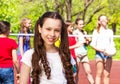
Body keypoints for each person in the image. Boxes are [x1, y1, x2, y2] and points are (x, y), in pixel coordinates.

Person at [20, 11, 75, 84]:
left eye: (57, 30)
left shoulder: (66, 55)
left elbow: (72, 77)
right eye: (48, 29)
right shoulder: (29, 55)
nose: (52, 34)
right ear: (40, 28)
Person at [90, 15, 115, 84]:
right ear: (99, 21)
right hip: (99, 54)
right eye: (102, 19)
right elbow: (92, 44)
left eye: (105, 19)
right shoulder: (96, 31)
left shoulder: (110, 31)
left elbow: (112, 43)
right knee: (99, 73)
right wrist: (101, 51)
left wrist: (111, 51)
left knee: (107, 74)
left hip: (108, 55)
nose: (104, 21)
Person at [73, 18, 94, 84]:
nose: (82, 25)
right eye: (80, 24)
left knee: (88, 71)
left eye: (83, 24)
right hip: (77, 54)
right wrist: (83, 41)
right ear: (77, 25)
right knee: (76, 73)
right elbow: (75, 43)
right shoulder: (74, 32)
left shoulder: (84, 32)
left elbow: (86, 44)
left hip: (84, 54)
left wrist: (89, 41)